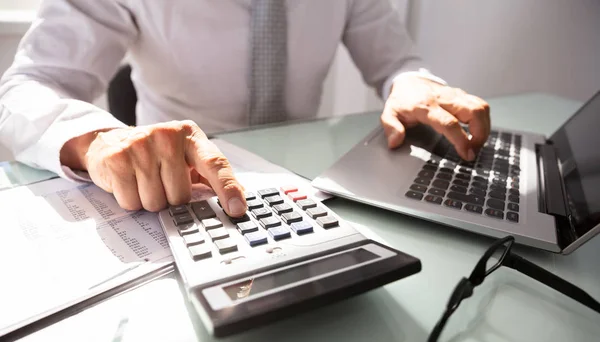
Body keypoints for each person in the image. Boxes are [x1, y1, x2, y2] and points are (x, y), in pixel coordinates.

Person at [0, 0, 490, 217]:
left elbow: (397, 62)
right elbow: (26, 86)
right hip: (174, 193)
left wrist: (411, 83)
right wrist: (95, 139)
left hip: (314, 189)